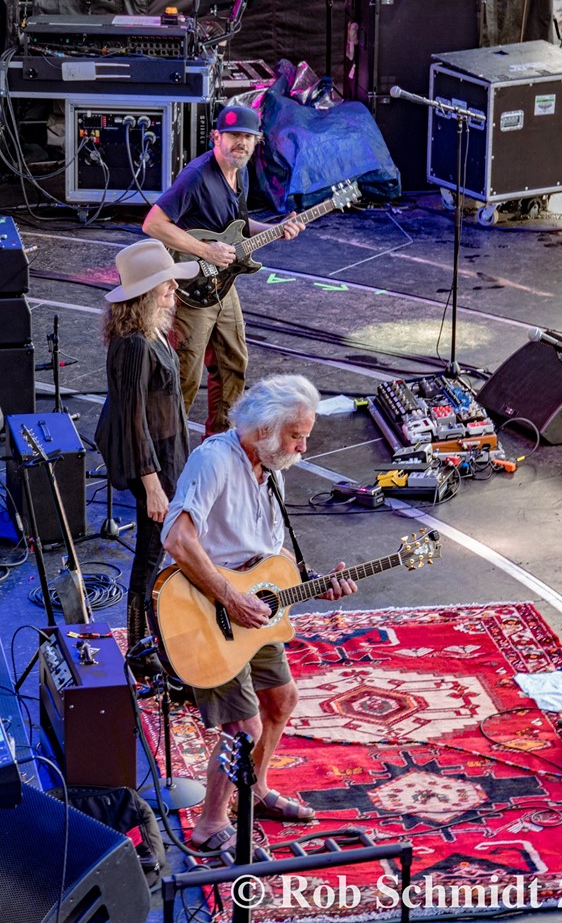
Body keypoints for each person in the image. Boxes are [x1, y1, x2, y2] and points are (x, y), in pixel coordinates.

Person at [161, 374, 357, 852]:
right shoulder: (214, 461)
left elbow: (267, 558)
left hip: (252, 611)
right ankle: (209, 825)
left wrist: (313, 584)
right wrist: (230, 597)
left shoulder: (272, 470)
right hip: (206, 612)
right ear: (265, 429)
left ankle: (257, 790)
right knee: (243, 727)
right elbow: (177, 539)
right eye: (297, 435)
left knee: (280, 700)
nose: (304, 446)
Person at [142, 104, 304, 438]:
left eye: (247, 137)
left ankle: (219, 442)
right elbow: (153, 223)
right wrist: (205, 250)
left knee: (233, 363)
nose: (240, 143)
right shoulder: (197, 176)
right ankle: (165, 451)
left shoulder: (238, 171)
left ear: (256, 141)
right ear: (216, 137)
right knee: (185, 373)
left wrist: (276, 228)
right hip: (192, 288)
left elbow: (239, 228)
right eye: (233, 136)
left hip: (223, 286)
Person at [96, 239, 199, 679]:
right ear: (146, 293)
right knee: (150, 555)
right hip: (152, 461)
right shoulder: (135, 344)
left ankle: (164, 634)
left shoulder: (151, 330)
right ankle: (140, 648)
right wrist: (152, 482)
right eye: (166, 287)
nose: (173, 291)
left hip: (168, 452)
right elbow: (133, 417)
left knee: (166, 548)